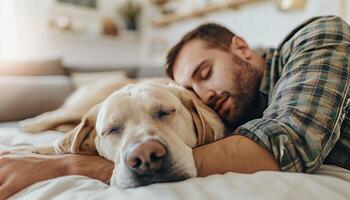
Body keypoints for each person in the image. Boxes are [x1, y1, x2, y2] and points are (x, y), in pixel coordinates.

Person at [0, 15, 349, 199]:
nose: (205, 95)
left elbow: (287, 140)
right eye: (192, 89)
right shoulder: (239, 111)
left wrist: (72, 168)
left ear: (241, 48)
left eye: (206, 72)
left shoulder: (317, 37)